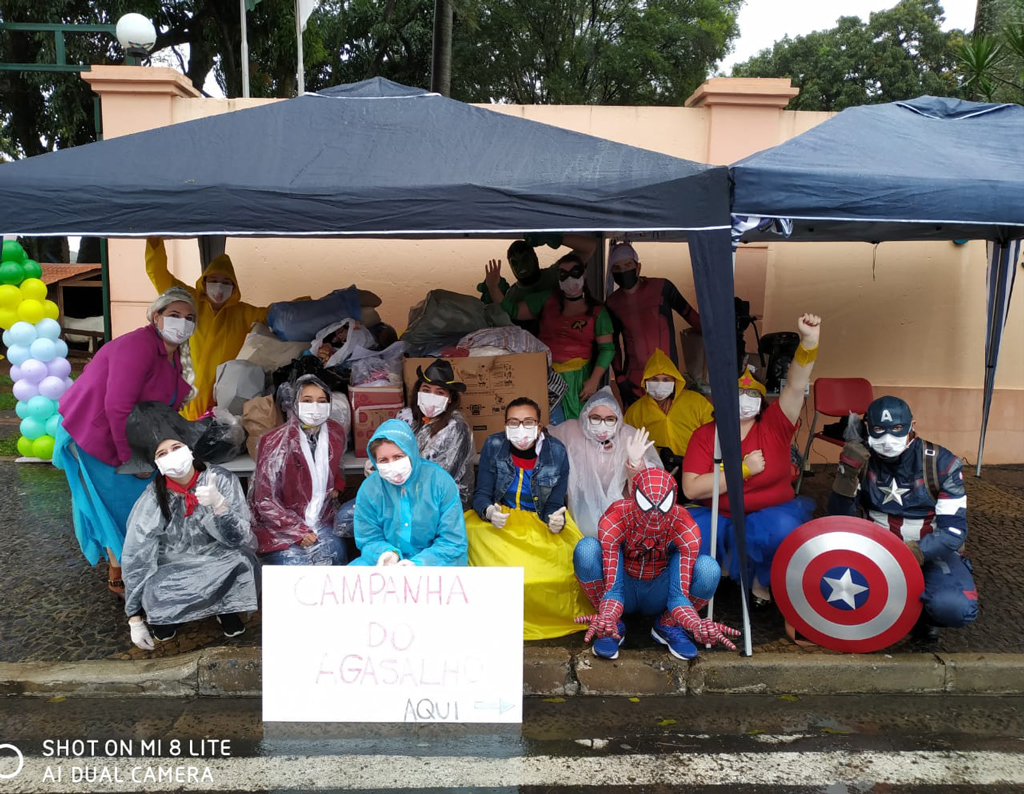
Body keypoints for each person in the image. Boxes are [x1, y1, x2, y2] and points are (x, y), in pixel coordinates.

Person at [53, 287, 197, 598]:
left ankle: (126, 566)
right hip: (97, 434)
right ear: (156, 316)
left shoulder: (170, 353)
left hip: (128, 436)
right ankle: (124, 573)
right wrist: (129, 458)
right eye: (174, 315)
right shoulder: (138, 346)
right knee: (122, 507)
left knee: (136, 504)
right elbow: (117, 406)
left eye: (189, 318)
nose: (182, 323)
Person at [682, 314, 822, 601]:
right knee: (689, 533)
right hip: (717, 513)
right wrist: (743, 470)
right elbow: (691, 488)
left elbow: (795, 386)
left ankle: (761, 580)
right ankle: (707, 581)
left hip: (769, 513)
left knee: (780, 531)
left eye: (750, 393)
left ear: (760, 401)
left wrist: (809, 343)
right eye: (737, 392)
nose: (744, 398)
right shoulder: (706, 435)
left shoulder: (775, 425)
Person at [827, 396, 978, 640]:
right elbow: (836, 522)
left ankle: (924, 618)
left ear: (912, 425)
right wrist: (847, 473)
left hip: (930, 552)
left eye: (897, 429)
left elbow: (954, 532)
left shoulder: (942, 463)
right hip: (872, 552)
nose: (888, 439)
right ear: (867, 428)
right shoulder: (862, 458)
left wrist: (912, 553)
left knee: (954, 607)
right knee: (833, 588)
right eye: (879, 430)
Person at [121, 402, 259, 647]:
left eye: (176, 447)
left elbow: (239, 538)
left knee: (242, 562)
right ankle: (166, 619)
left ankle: (225, 609)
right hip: (173, 565)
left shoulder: (220, 479)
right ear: (156, 464)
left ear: (189, 448)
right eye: (162, 454)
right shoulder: (154, 497)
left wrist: (220, 507)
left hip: (218, 560)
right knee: (154, 588)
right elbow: (137, 553)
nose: (171, 456)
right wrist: (134, 616)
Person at [573, 468, 739, 660]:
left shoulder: (684, 526)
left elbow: (679, 596)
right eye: (646, 503)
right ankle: (610, 626)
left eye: (663, 504)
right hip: (623, 585)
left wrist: (695, 624)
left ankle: (669, 624)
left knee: (708, 569)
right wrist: (608, 615)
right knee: (586, 550)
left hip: (660, 590)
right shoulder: (616, 517)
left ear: (673, 498)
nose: (654, 513)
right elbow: (614, 589)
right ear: (634, 495)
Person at [468, 397, 591, 639]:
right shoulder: (494, 444)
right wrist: (488, 511)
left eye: (528, 422)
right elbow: (481, 493)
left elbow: (554, 504)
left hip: (538, 522)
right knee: (471, 548)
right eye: (513, 422)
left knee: (557, 573)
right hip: (499, 520)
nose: (520, 428)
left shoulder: (556, 452)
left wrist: (556, 520)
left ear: (540, 424)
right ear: (505, 425)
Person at [146, 237, 268, 420]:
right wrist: (155, 239)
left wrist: (313, 306)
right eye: (214, 280)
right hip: (180, 395)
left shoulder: (243, 312)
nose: (219, 287)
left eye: (226, 282)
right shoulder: (189, 300)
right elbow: (158, 273)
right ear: (204, 282)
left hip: (218, 404)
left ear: (234, 287)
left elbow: (276, 314)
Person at [491, 253, 614, 421]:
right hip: (544, 375)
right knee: (544, 423)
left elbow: (607, 349)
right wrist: (493, 288)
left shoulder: (597, 311)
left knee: (576, 426)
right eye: (563, 274)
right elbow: (513, 310)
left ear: (584, 274)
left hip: (577, 380)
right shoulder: (547, 299)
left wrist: (594, 380)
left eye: (575, 272)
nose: (570, 279)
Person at [249, 375, 349, 566]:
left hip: (321, 518)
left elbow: (335, 468)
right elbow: (264, 500)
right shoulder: (274, 442)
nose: (315, 407)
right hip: (279, 526)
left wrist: (337, 486)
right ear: (295, 403)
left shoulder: (335, 432)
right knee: (295, 564)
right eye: (307, 401)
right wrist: (296, 530)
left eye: (322, 402)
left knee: (334, 553)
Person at [549, 387, 662, 538]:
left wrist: (636, 465)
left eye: (610, 419)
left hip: (622, 524)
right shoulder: (570, 432)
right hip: (578, 518)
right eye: (595, 418)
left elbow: (651, 492)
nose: (602, 425)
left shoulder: (629, 437)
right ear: (585, 416)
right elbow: (543, 442)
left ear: (618, 421)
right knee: (586, 550)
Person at [352, 419, 467, 566]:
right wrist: (386, 553)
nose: (392, 465)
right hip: (388, 564)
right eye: (383, 460)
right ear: (375, 462)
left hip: (436, 562)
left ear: (412, 452)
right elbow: (368, 538)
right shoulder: (370, 489)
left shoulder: (440, 482)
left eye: (398, 457)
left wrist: (420, 563)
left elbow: (452, 541)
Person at [604, 242, 702, 407]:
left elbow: (692, 317)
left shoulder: (662, 287)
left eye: (627, 265)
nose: (623, 271)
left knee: (667, 427)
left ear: (638, 267)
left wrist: (722, 338)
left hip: (667, 377)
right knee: (635, 430)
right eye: (617, 268)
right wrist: (620, 378)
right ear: (612, 273)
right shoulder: (612, 303)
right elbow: (612, 342)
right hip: (634, 380)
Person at [480, 234, 598, 336]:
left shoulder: (555, 274)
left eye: (525, 259)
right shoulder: (511, 295)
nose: (521, 266)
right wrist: (493, 289)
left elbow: (590, 247)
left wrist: (555, 238)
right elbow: (505, 321)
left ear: (535, 258)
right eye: (515, 263)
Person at [397, 359, 476, 506]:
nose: (432, 397)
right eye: (426, 390)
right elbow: (391, 450)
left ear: (450, 398)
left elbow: (446, 474)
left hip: (441, 500)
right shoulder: (405, 417)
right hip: (403, 490)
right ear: (418, 391)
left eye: (440, 393)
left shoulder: (456, 428)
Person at [624, 349, 714, 473]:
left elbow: (714, 434)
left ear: (675, 381)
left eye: (666, 380)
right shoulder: (635, 411)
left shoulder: (697, 402)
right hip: (655, 472)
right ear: (645, 382)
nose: (660, 384)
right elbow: (626, 443)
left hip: (697, 468)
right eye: (654, 379)